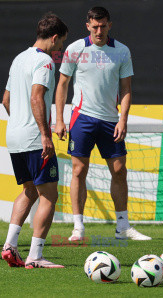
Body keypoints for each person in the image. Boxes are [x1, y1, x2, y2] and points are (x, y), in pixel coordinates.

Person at [55, 7, 151, 241]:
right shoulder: (75, 49)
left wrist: (123, 119)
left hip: (111, 120)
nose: (99, 30)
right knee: (79, 170)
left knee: (119, 170)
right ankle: (78, 227)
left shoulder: (122, 51)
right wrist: (59, 119)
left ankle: (123, 227)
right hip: (82, 118)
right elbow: (62, 85)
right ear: (87, 25)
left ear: (110, 25)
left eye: (103, 25)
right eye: (94, 26)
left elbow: (126, 89)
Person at [1, 13, 68, 268]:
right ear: (53, 38)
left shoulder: (19, 59)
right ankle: (35, 256)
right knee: (49, 196)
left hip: (14, 136)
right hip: (34, 138)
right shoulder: (45, 62)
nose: (60, 48)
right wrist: (44, 134)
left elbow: (6, 100)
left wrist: (20, 121)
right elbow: (36, 97)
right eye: (61, 42)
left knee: (28, 191)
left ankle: (9, 246)